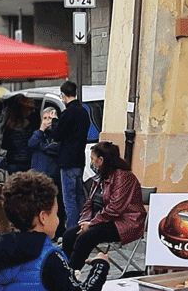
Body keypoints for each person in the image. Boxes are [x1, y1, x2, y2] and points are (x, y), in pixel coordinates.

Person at [60, 141, 147, 271]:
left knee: (86, 237)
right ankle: (64, 270)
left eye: (93, 160)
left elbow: (115, 208)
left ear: (101, 160)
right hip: (105, 220)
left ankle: (72, 273)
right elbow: (89, 202)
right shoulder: (101, 177)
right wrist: (84, 220)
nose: (91, 163)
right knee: (69, 236)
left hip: (126, 223)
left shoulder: (123, 177)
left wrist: (91, 223)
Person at [50, 81, 90, 231]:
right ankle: (82, 228)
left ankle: (71, 232)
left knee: (69, 200)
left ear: (63, 95)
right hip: (80, 160)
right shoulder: (84, 111)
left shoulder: (68, 113)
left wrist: (54, 121)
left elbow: (57, 135)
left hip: (68, 161)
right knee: (79, 198)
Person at [0, 94, 37, 173]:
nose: (31, 111)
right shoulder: (32, 125)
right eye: (30, 109)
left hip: (13, 162)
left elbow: (4, 145)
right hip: (28, 161)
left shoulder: (8, 126)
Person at [28, 107, 60, 180]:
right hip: (37, 175)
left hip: (52, 176)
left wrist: (42, 146)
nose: (48, 121)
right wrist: (41, 130)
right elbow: (31, 143)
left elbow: (55, 148)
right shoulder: (38, 133)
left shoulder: (58, 134)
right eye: (45, 118)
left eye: (50, 118)